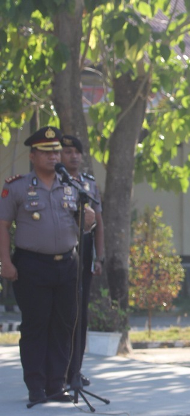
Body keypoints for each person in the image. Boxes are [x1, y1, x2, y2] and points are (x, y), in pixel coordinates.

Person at [0, 126, 95, 404]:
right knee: (36, 325)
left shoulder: (72, 187)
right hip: (32, 265)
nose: (54, 157)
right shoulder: (16, 186)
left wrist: (88, 219)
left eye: (56, 152)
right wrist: (5, 262)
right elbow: (3, 226)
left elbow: (84, 224)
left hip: (67, 264)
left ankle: (57, 384)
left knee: (64, 325)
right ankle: (37, 387)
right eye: (47, 152)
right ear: (33, 156)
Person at [61, 134, 104, 387]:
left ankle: (74, 371)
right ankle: (56, 371)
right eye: (67, 151)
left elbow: (98, 222)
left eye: (77, 152)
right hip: (58, 252)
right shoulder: (52, 182)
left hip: (84, 254)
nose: (73, 156)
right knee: (60, 314)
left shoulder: (88, 184)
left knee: (80, 314)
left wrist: (100, 257)